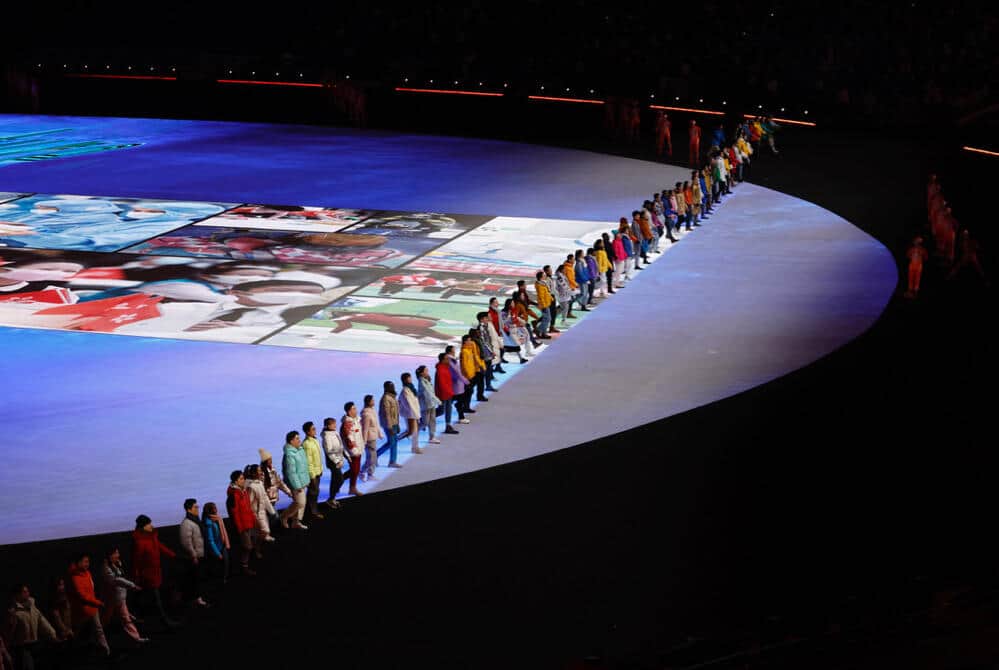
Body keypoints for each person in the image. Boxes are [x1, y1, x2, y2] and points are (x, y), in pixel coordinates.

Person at [131, 514, 179, 628]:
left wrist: (173, 555)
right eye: (149, 524)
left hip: (155, 572)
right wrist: (136, 576)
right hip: (147, 575)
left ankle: (138, 617)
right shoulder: (140, 542)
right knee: (156, 599)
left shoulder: (152, 536)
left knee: (141, 597)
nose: (151, 525)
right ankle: (166, 622)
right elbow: (136, 561)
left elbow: (160, 546)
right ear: (143, 526)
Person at [66, 554, 110, 657]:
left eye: (88, 561)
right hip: (82, 610)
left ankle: (105, 650)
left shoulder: (87, 573)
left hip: (92, 608)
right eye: (85, 561)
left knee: (98, 629)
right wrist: (98, 602)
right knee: (79, 631)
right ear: (78, 562)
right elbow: (83, 596)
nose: (88, 564)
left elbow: (91, 590)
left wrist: (95, 602)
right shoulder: (74, 577)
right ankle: (73, 652)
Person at [101, 548, 147, 643]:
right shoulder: (106, 568)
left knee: (126, 619)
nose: (118, 555)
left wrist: (119, 565)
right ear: (109, 556)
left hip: (119, 599)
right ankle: (96, 639)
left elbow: (121, 576)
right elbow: (117, 580)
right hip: (110, 600)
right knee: (104, 621)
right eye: (115, 553)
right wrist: (132, 586)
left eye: (118, 552)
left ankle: (136, 638)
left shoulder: (115, 565)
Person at [227, 470, 261, 575]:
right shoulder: (234, 495)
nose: (243, 480)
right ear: (235, 481)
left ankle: (246, 563)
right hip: (243, 526)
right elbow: (235, 514)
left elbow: (248, 508)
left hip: (249, 522)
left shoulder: (244, 491)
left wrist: (253, 519)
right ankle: (244, 566)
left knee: (255, 540)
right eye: (241, 479)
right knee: (247, 547)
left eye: (243, 478)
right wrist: (240, 528)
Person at [178, 499, 209, 607]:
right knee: (193, 579)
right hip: (193, 557)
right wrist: (193, 555)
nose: (197, 509)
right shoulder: (187, 523)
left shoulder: (195, 520)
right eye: (195, 507)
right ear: (189, 509)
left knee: (198, 578)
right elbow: (186, 542)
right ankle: (195, 599)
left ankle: (197, 598)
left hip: (200, 554)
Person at [280, 432, 310, 529]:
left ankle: (296, 522)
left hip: (302, 481)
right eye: (297, 439)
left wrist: (306, 479)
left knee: (302, 503)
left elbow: (303, 466)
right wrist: (297, 486)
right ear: (291, 441)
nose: (299, 440)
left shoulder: (299, 450)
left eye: (299, 438)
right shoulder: (289, 455)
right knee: (300, 502)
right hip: (295, 483)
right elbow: (291, 473)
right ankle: (284, 516)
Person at [244, 464, 276, 543]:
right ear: (254, 473)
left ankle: (258, 546)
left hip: (262, 512)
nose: (261, 472)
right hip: (256, 513)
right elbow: (249, 503)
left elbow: (265, 498)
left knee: (263, 531)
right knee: (265, 530)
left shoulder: (260, 483)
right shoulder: (251, 487)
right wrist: (253, 515)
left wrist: (272, 511)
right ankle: (256, 545)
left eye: (261, 470)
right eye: (259, 471)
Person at [300, 421, 325, 522]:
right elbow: (308, 462)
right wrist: (312, 476)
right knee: (313, 492)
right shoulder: (306, 444)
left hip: (317, 471)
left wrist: (320, 470)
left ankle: (311, 510)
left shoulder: (314, 440)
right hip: (313, 474)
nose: (315, 430)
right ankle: (313, 512)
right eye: (313, 429)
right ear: (307, 431)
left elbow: (317, 457)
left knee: (314, 492)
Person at [201, 502, 230, 584]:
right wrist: (217, 553)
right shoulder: (208, 522)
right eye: (214, 508)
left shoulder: (218, 518)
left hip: (222, 544)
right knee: (216, 565)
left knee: (226, 563)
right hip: (216, 548)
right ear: (210, 510)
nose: (216, 509)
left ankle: (224, 578)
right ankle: (218, 581)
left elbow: (223, 532)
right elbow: (210, 540)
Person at [340, 402, 365, 494]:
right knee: (355, 470)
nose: (356, 410)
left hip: (358, 449)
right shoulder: (347, 423)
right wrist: (354, 451)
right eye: (354, 409)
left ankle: (339, 481)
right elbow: (348, 439)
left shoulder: (356, 420)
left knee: (355, 470)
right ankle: (352, 488)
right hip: (353, 451)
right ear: (349, 411)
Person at [434, 353, 460, 435]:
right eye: (446, 359)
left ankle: (448, 425)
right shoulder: (440, 370)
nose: (448, 360)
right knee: (442, 410)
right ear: (442, 360)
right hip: (443, 394)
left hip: (448, 393)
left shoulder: (446, 367)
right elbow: (442, 384)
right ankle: (424, 419)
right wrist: (448, 392)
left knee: (448, 409)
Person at [444, 345, 472, 422]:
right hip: (456, 384)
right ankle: (461, 417)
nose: (454, 351)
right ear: (450, 351)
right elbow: (457, 373)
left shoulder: (451, 359)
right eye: (453, 350)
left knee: (458, 400)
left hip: (457, 384)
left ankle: (461, 417)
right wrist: (466, 381)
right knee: (459, 399)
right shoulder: (451, 360)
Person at [322, 417, 346, 504]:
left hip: (337, 459)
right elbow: (329, 451)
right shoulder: (326, 436)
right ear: (328, 425)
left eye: (335, 423)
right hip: (333, 462)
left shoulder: (334, 432)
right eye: (333, 424)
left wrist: (343, 456)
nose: (335, 425)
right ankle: (331, 498)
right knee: (340, 480)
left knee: (334, 479)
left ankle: (332, 498)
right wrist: (337, 461)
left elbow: (340, 445)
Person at [398, 372, 423, 454]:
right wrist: (415, 415)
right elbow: (409, 404)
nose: (410, 379)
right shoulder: (405, 390)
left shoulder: (411, 388)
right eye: (409, 378)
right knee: (411, 431)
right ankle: (396, 439)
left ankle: (415, 447)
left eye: (410, 377)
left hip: (414, 413)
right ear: (405, 380)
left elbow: (414, 402)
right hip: (410, 414)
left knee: (414, 431)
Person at [379, 381, 403, 468]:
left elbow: (396, 414)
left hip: (394, 423)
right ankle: (392, 461)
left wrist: (398, 424)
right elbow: (387, 414)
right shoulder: (386, 398)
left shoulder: (392, 397)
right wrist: (390, 427)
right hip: (390, 425)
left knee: (392, 442)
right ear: (386, 388)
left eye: (393, 385)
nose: (393, 387)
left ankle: (376, 456)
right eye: (390, 386)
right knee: (392, 443)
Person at [416, 365, 442, 444]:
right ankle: (413, 431)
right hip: (426, 405)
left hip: (431, 404)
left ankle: (432, 437)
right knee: (425, 422)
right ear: (421, 373)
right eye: (426, 371)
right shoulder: (421, 382)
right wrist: (438, 401)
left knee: (432, 421)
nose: (427, 372)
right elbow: (428, 393)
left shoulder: (427, 380)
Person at [360, 395, 383, 480]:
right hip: (369, 439)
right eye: (372, 400)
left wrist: (380, 434)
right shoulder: (366, 414)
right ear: (368, 402)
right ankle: (363, 472)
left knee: (373, 457)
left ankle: (368, 473)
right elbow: (365, 429)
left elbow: (376, 424)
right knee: (372, 458)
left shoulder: (372, 411)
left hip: (373, 437)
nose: (374, 402)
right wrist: (364, 441)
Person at [460, 334, 488, 403]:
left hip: (474, 370)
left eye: (470, 340)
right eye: (468, 340)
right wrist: (480, 366)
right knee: (469, 389)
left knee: (472, 387)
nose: (470, 342)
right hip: (471, 373)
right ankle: (463, 404)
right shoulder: (466, 350)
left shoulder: (471, 347)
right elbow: (465, 365)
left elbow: (476, 357)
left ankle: (465, 404)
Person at [533, 271, 553, 339]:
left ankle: (543, 333)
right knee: (547, 318)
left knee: (546, 318)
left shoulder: (543, 283)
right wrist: (544, 305)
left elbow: (546, 293)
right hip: (544, 305)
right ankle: (538, 330)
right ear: (541, 276)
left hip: (546, 303)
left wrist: (550, 298)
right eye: (544, 275)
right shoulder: (540, 285)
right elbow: (541, 296)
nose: (545, 276)